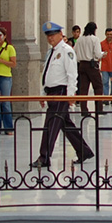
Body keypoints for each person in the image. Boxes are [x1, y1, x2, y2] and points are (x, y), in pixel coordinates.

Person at [31, 21, 94, 168]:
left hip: (61, 92)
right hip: (52, 92)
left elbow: (72, 74)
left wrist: (71, 95)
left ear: (60, 34)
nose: (50, 38)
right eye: (48, 35)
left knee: (51, 125)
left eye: (53, 35)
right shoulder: (52, 52)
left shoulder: (67, 51)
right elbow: (47, 75)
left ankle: (44, 157)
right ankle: (84, 151)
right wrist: (43, 93)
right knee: (65, 124)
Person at [74, 21, 104, 117]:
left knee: (83, 89)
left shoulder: (79, 40)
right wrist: (104, 54)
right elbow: (98, 54)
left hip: (82, 64)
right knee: (98, 86)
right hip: (92, 64)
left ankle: (84, 110)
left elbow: (75, 51)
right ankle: (98, 109)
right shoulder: (94, 39)